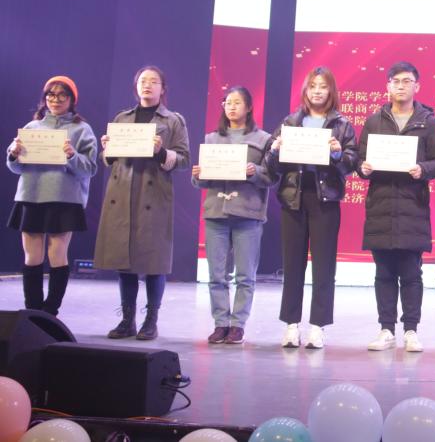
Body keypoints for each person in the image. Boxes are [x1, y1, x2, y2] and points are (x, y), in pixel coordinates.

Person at [95, 66, 190, 340]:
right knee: (124, 260)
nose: (147, 85)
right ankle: (127, 319)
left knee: (153, 260)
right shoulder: (122, 118)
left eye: (154, 81)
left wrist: (161, 152)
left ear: (163, 88)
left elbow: (184, 160)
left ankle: (151, 320)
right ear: (136, 87)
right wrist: (107, 149)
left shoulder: (173, 120)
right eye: (143, 81)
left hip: (154, 194)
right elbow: (107, 160)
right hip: (123, 192)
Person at [266, 66, 357, 350]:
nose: (317, 91)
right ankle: (291, 325)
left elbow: (351, 163)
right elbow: (271, 165)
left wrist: (338, 154)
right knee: (292, 264)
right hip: (294, 197)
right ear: (306, 90)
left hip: (325, 199)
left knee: (324, 265)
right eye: (313, 86)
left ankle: (318, 326)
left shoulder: (341, 124)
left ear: (331, 91)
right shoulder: (291, 121)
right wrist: (275, 150)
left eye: (323, 86)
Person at [357, 62, 435, 353]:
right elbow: (359, 159)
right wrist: (363, 167)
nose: (401, 86)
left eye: (407, 81)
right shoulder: (374, 121)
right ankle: (386, 329)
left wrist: (423, 169)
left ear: (417, 86)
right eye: (396, 81)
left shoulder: (428, 122)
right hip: (380, 205)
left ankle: (411, 330)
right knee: (383, 273)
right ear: (388, 86)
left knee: (411, 273)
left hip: (412, 206)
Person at [191, 86, 275, 345]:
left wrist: (255, 171)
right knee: (217, 275)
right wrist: (198, 175)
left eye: (237, 102)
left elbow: (272, 177)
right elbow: (202, 182)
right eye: (227, 102)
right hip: (216, 212)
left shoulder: (263, 139)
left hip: (247, 213)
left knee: (245, 276)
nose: (232, 107)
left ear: (248, 107)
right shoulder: (212, 138)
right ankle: (220, 323)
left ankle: (238, 325)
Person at [6, 76, 98, 316]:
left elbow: (90, 169)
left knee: (57, 255)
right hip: (31, 196)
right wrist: (13, 154)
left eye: (62, 95)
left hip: (63, 199)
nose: (55, 100)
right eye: (50, 95)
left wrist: (72, 155)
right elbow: (16, 167)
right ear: (44, 98)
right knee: (32, 256)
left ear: (72, 100)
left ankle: (50, 312)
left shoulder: (82, 129)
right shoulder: (31, 128)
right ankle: (33, 312)